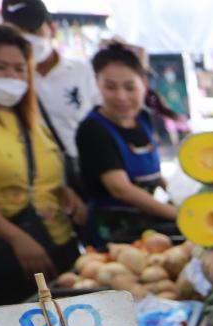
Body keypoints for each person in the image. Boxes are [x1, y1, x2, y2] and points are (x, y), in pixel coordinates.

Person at [0, 20, 84, 308]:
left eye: (20, 68)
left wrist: (64, 194)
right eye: (0, 66)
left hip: (57, 248)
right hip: (4, 260)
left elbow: (42, 177)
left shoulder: (31, 120)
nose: (11, 75)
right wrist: (15, 237)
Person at [75, 41, 176, 246]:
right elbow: (121, 189)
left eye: (130, 87)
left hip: (148, 229)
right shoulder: (93, 130)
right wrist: (178, 215)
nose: (121, 97)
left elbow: (154, 176)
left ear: (144, 85)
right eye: (110, 87)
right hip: (115, 236)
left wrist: (178, 195)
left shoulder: (143, 119)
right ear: (97, 84)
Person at [1, 0, 96, 184]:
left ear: (51, 29)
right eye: (17, 33)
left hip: (84, 173)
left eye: (32, 30)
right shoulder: (7, 80)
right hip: (36, 182)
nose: (26, 39)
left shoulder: (82, 71)